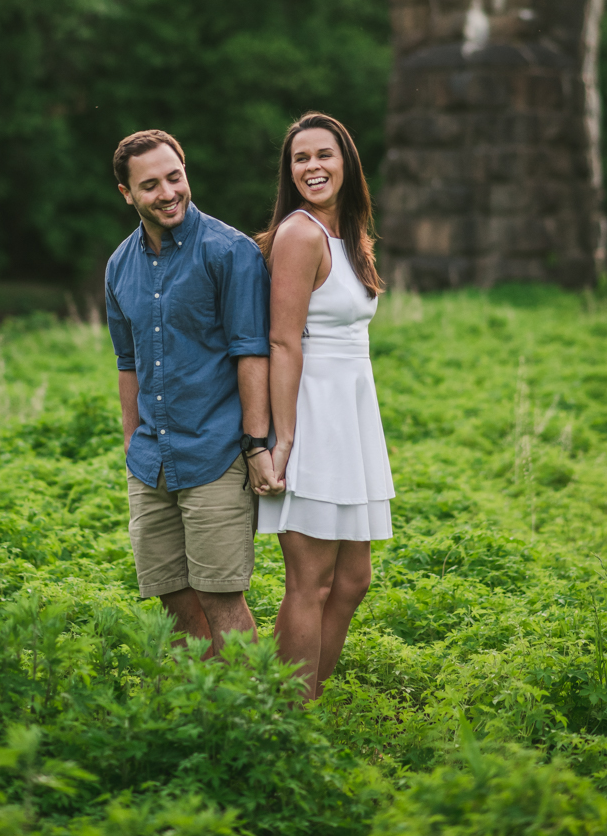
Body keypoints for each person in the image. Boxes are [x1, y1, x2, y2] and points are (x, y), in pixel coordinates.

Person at [106, 129, 283, 655]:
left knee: (220, 598)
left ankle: (251, 718)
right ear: (127, 194)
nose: (167, 193)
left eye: (174, 177)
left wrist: (255, 444)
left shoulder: (230, 252)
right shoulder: (120, 265)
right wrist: (130, 441)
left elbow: (252, 352)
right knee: (172, 598)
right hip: (151, 459)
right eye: (150, 184)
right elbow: (127, 361)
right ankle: (201, 715)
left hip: (216, 452)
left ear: (187, 173)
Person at [256, 112, 395, 699]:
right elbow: (283, 340)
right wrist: (281, 439)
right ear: (290, 172)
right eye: (300, 158)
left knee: (352, 580)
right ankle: (288, 716)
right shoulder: (300, 234)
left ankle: (304, 699)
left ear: (347, 163)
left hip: (351, 419)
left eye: (324, 155)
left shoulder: (348, 235)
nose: (313, 167)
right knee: (310, 581)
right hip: (310, 417)